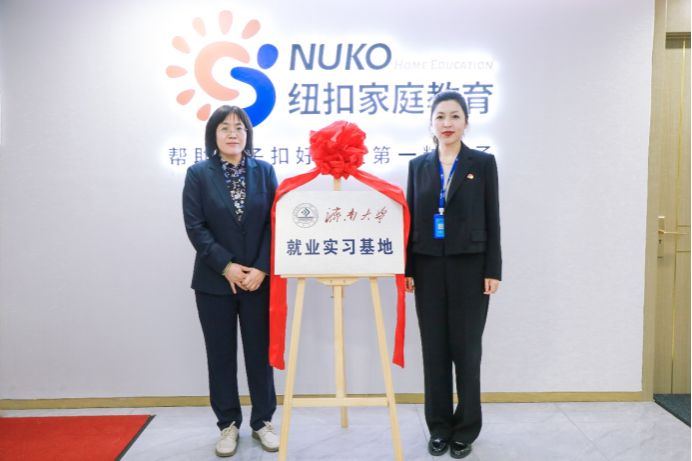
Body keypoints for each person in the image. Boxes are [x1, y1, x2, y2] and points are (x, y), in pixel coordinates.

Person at [405, 91, 501, 459]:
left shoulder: (483, 163)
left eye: (455, 116)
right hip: (428, 267)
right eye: (440, 116)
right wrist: (408, 269)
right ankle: (439, 427)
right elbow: (411, 219)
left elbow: (492, 216)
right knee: (435, 351)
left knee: (467, 350)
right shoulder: (418, 166)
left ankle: (466, 428)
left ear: (466, 123)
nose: (447, 123)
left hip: (471, 268)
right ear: (431, 123)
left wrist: (493, 268)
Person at [182, 105, 279, 457]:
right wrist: (227, 267)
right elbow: (195, 226)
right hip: (214, 283)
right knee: (220, 356)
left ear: (248, 134)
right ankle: (228, 425)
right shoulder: (198, 174)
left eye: (239, 127)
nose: (233, 133)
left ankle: (263, 422)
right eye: (225, 127)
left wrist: (261, 268)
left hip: (258, 282)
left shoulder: (264, 171)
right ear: (214, 135)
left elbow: (274, 222)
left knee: (260, 356)